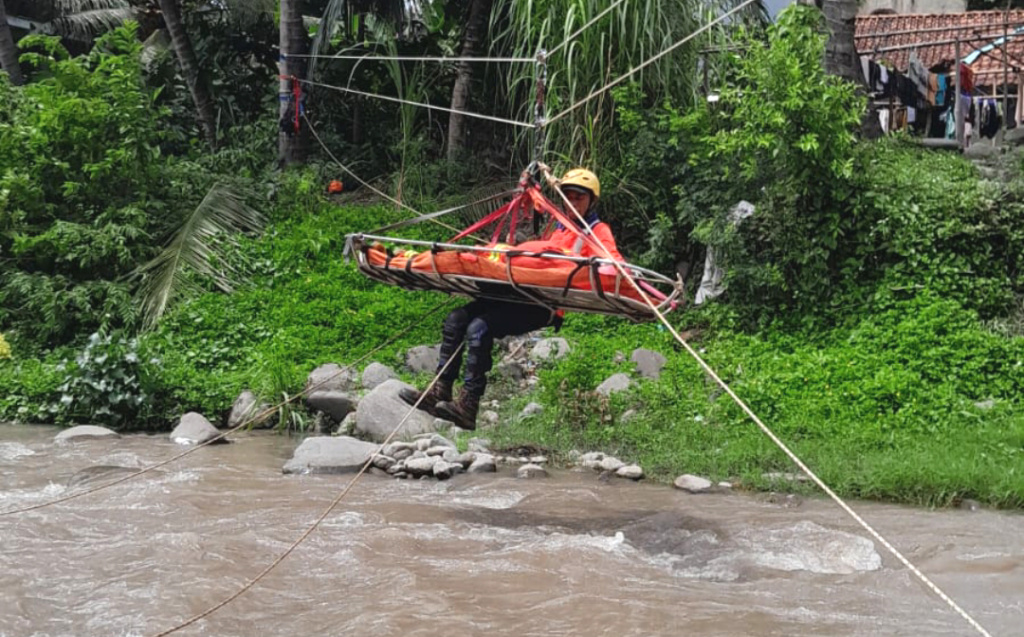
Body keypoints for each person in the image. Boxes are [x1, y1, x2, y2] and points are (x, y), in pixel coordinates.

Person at [399, 168, 624, 430]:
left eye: (579, 198)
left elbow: (612, 263)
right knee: (456, 319)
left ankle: (468, 406)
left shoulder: (597, 231)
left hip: (542, 304)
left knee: (478, 328)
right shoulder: (558, 228)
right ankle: (441, 389)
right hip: (518, 292)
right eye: (569, 196)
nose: (572, 202)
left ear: (591, 201)